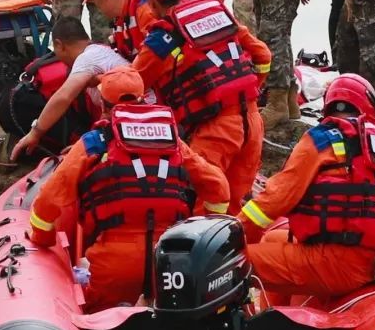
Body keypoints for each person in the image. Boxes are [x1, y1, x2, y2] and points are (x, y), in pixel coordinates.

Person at [238, 74, 375, 309]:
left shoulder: (320, 140)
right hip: (365, 268)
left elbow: (276, 198)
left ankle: (252, 320)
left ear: (328, 107)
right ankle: (277, 315)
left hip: (326, 264)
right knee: (273, 238)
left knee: (228, 266)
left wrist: (231, 240)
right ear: (369, 110)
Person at [27, 66, 230, 312]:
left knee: (101, 321)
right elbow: (218, 187)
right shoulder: (173, 142)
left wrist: (42, 239)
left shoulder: (94, 143)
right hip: (169, 262)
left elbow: (49, 199)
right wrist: (200, 227)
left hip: (114, 263)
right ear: (143, 99)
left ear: (103, 105)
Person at [131, 0, 270, 213]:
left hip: (216, 131)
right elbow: (263, 55)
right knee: (233, 208)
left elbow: (130, 83)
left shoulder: (161, 38)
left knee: (202, 205)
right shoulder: (217, 13)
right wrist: (249, 88)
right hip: (252, 121)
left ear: (152, 4)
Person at [8, 16, 132, 160]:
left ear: (59, 45)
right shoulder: (102, 51)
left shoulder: (86, 58)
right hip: (134, 120)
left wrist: (35, 133)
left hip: (133, 123)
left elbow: (63, 97)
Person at [83, 0, 156, 61]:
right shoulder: (122, 17)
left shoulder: (144, 9)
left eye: (95, 2)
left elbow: (159, 52)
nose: (98, 8)